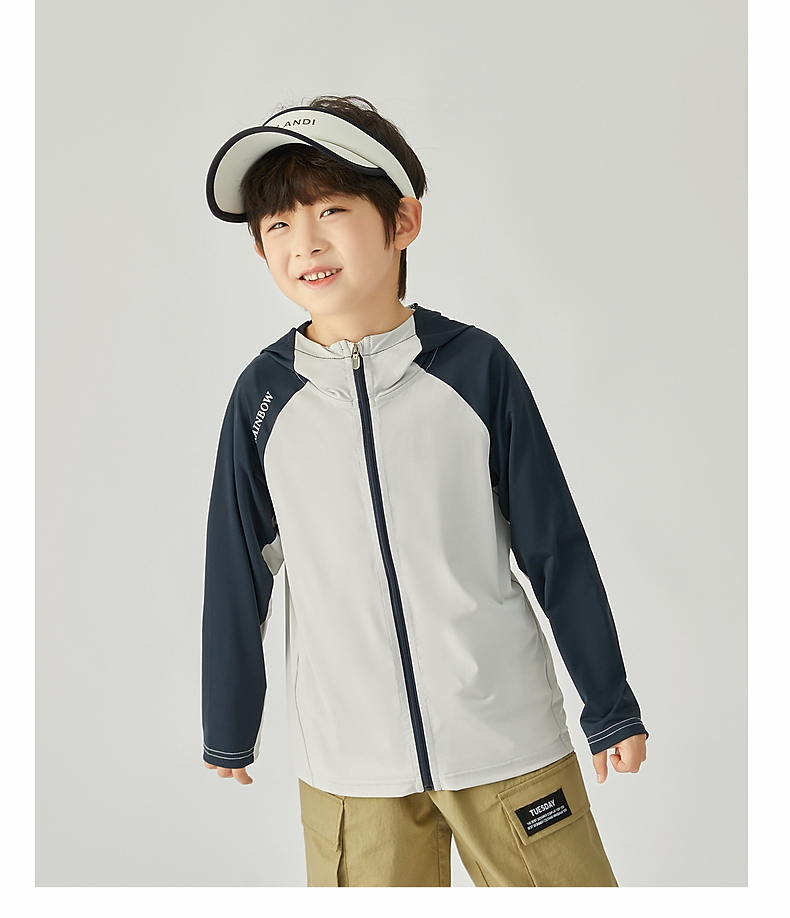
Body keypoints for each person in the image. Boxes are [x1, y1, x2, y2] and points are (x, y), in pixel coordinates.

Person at [201, 94, 647, 887]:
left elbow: (554, 545)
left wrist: (608, 703)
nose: (304, 242)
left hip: (504, 741)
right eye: (277, 223)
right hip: (351, 765)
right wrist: (229, 722)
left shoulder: (475, 369)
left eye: (331, 210)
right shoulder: (263, 399)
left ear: (402, 220)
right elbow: (236, 568)